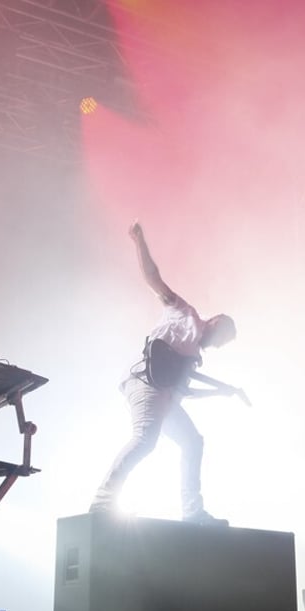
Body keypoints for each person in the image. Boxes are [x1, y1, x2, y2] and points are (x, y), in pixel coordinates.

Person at [90, 222, 238, 526]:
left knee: (192, 442)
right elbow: (153, 279)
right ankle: (103, 501)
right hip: (144, 382)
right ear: (216, 321)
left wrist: (220, 391)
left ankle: (192, 512)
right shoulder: (185, 314)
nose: (218, 346)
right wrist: (140, 241)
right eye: (222, 339)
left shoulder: (193, 356)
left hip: (164, 394)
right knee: (145, 439)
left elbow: (183, 392)